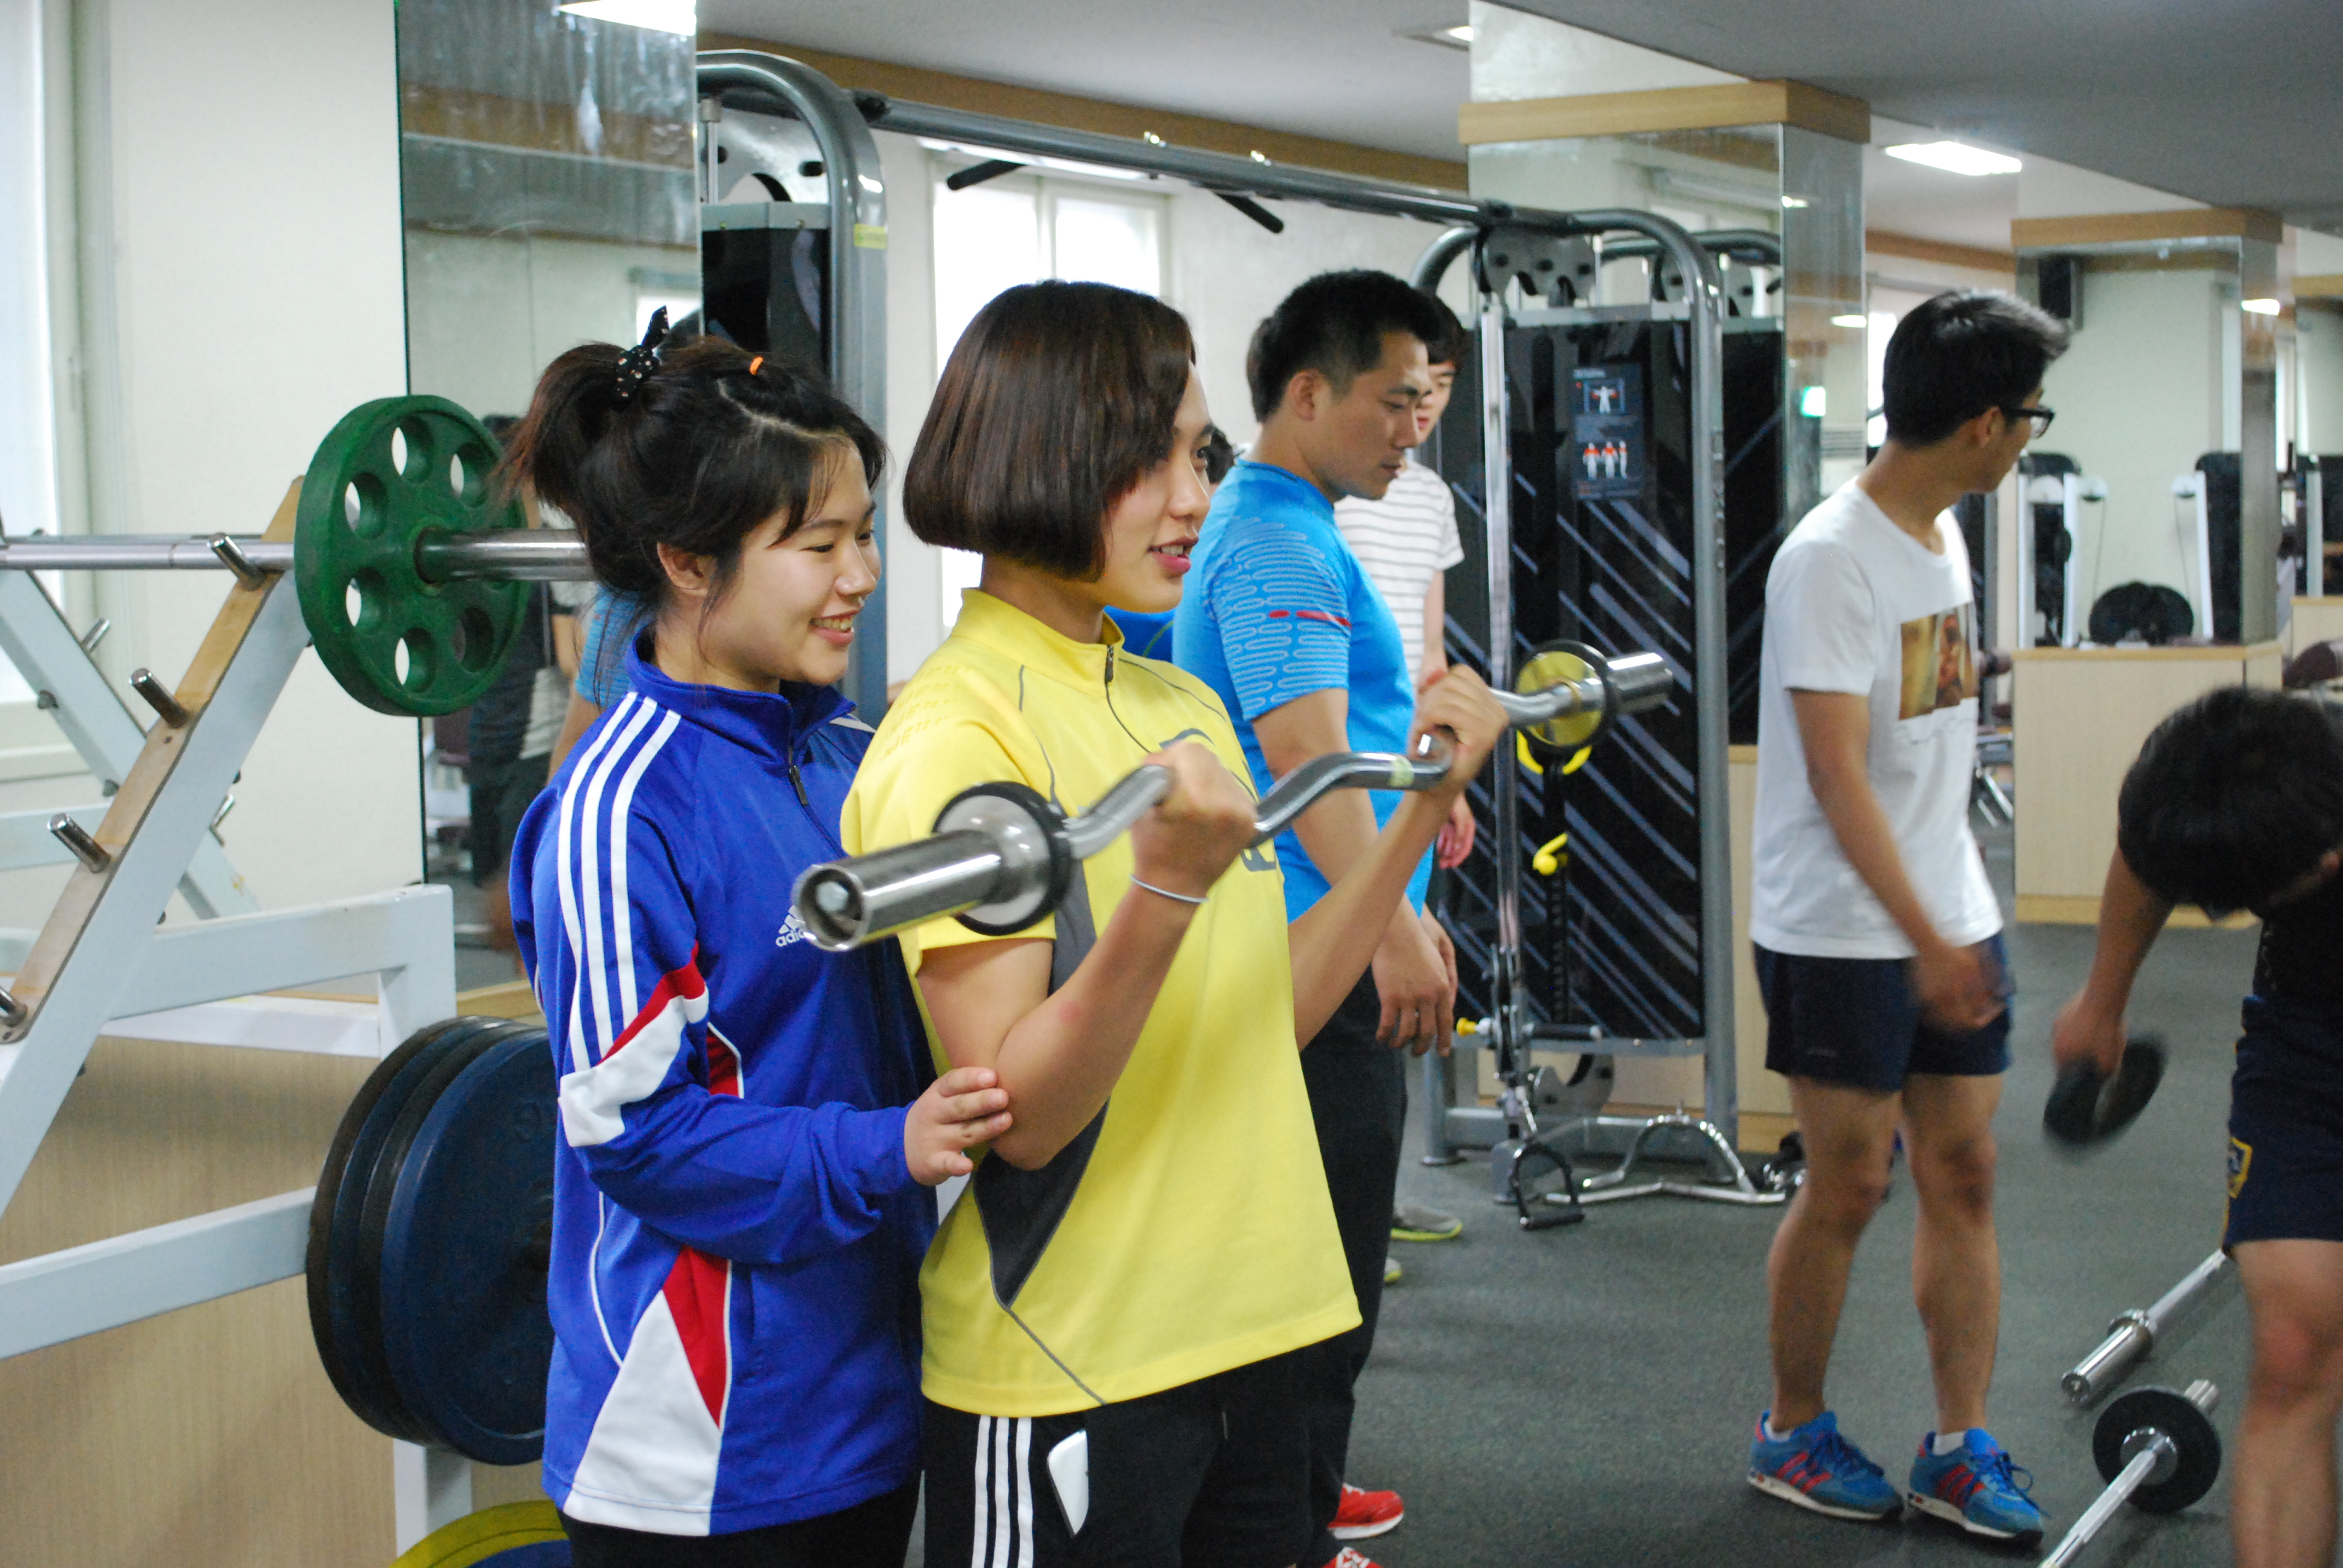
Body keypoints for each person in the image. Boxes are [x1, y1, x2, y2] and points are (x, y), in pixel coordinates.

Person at [842, 280, 1505, 1568]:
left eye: (1199, 456)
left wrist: (1422, 805)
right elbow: (1021, 1118)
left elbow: (1270, 1015)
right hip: (1078, 1358)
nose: (1194, 496)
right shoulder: (959, 733)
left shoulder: (1175, 705)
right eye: (1152, 460)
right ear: (1045, 456)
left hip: (1255, 1335)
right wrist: (1165, 890)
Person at [501, 320, 1014, 1567]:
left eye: (864, 536)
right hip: (700, 1448)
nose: (862, 575)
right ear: (687, 562)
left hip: (870, 1392)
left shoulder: (850, 759)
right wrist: (886, 1146)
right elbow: (635, 1130)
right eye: (818, 545)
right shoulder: (617, 811)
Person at [1745, 289, 2064, 1541]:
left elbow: (1926, 733)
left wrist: (1955, 917)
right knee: (1848, 1184)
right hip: (1840, 928)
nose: (2029, 436)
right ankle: (1791, 1429)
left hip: (1947, 909)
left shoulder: (1942, 535)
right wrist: (1925, 940)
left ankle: (1957, 1446)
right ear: (1986, 423)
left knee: (1964, 1173)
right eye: (2031, 416)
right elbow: (1835, 777)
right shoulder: (1829, 557)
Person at [1173, 269, 1461, 1568]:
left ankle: (1298, 1503)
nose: (1414, 430)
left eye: (1425, 403)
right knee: (1315, 1281)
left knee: (1321, 1270)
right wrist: (1390, 930)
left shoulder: (1291, 522)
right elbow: (1303, 762)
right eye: (1394, 402)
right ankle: (1284, 1531)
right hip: (1304, 954)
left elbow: (1334, 744)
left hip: (1312, 937)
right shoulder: (1277, 540)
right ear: (1307, 393)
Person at [2052, 687, 2343, 1568]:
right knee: (2293, 1350)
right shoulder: (2219, 782)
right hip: (2310, 1046)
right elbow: (2149, 858)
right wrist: (2103, 1000)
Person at [1328, 287, 1476, 1253]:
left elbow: (1429, 650)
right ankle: (1340, 1216)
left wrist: (1442, 785)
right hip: (1332, 776)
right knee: (1350, 981)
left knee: (1407, 986)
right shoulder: (1324, 495)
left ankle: (1372, 1199)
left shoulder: (1427, 498)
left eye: (1441, 389)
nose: (1423, 411)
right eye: (1408, 389)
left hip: (1401, 768)